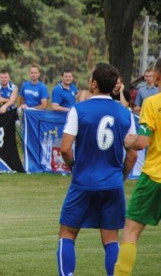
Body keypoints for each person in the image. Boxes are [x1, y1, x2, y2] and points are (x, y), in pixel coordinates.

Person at [56, 63, 138, 276]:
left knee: (67, 233)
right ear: (113, 87)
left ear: (93, 83)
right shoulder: (125, 114)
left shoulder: (78, 110)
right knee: (110, 238)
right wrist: (121, 177)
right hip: (112, 184)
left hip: (83, 181)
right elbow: (132, 155)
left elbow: (65, 149)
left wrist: (75, 168)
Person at [114, 57, 161, 275]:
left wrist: (128, 141)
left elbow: (142, 143)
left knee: (131, 231)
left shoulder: (153, 103)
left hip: (154, 176)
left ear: (157, 76)